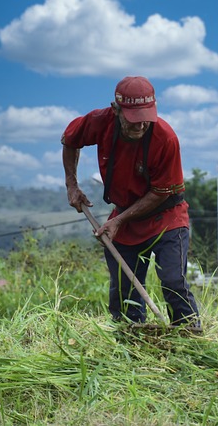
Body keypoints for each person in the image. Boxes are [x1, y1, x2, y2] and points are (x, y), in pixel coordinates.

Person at [61, 76, 200, 326]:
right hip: (124, 217)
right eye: (133, 120)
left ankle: (189, 336)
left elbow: (160, 193)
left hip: (166, 214)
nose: (140, 126)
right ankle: (131, 339)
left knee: (173, 280)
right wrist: (72, 185)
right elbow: (70, 140)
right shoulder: (99, 121)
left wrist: (120, 220)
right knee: (124, 289)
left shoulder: (165, 138)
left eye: (145, 118)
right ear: (116, 111)